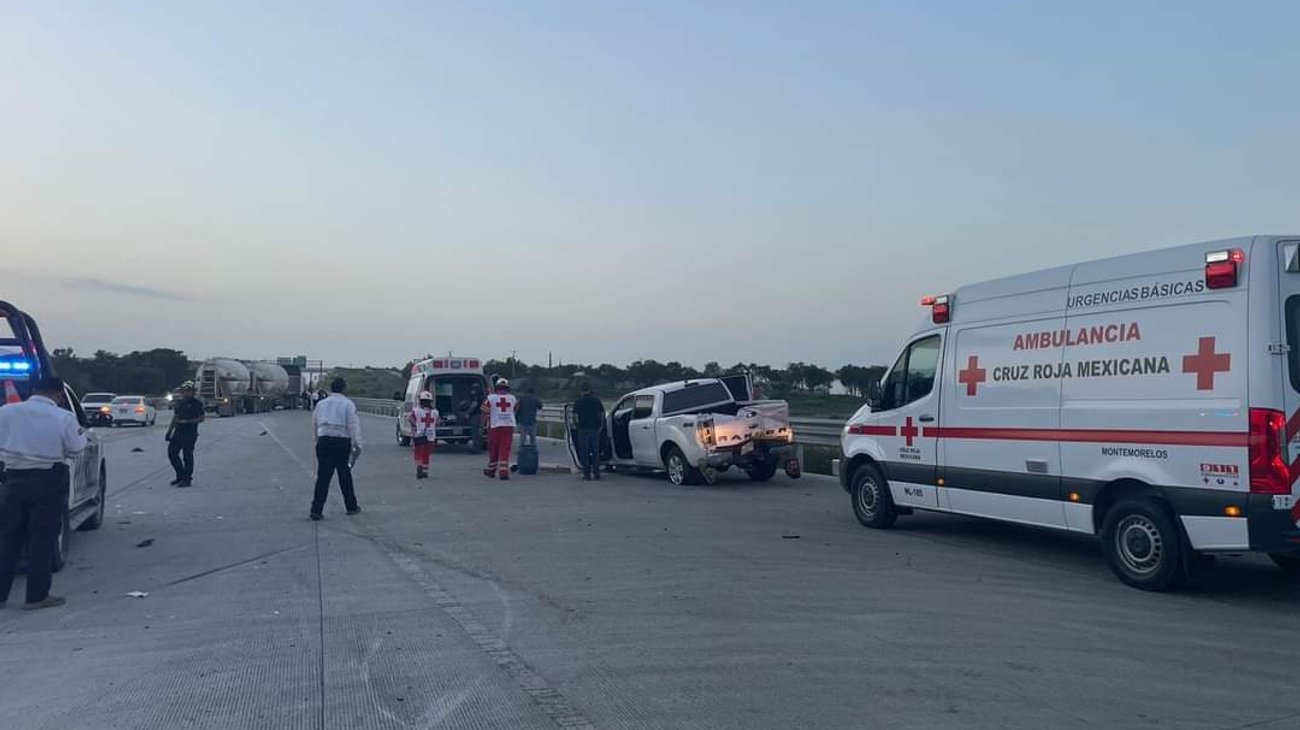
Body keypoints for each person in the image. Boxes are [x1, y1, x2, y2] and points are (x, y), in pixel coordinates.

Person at [0, 377, 87, 610]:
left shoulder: (6, 412)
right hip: (48, 481)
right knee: (42, 539)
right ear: (59, 394)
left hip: (14, 480)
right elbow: (77, 448)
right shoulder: (63, 417)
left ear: (34, 391)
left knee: (8, 539)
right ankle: (36, 597)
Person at [310, 377, 362, 520]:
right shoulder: (348, 404)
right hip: (341, 443)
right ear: (344, 389)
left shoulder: (321, 404)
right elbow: (353, 427)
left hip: (324, 441)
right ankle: (351, 507)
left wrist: (317, 441)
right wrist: (357, 445)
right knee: (344, 476)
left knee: (323, 478)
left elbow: (315, 424)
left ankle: (316, 510)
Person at [166, 381, 205, 487]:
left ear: (193, 392)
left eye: (189, 391)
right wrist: (169, 432)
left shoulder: (197, 403)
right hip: (178, 431)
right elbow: (175, 418)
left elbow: (201, 419)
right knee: (172, 453)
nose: (187, 393)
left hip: (190, 432)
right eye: (185, 391)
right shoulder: (179, 403)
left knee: (187, 455)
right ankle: (180, 475)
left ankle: (187, 479)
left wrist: (188, 422)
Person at [481, 378, 517, 480]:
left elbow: (484, 412)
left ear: (496, 388)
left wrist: (482, 425)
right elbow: (514, 411)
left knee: (494, 449)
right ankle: (502, 471)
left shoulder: (490, 398)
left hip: (495, 427)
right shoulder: (512, 398)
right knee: (505, 449)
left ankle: (493, 470)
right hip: (508, 427)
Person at [572, 383, 605, 481]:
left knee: (584, 452)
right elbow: (602, 414)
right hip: (594, 429)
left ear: (581, 391)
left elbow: (575, 416)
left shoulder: (578, 401)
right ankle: (596, 473)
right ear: (589, 390)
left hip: (583, 429)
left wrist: (577, 425)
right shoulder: (596, 400)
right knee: (595, 451)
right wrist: (601, 426)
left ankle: (587, 474)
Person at [407, 390, 438, 479]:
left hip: (419, 435)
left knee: (418, 453)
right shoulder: (435, 412)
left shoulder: (416, 410)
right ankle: (425, 471)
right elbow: (438, 422)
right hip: (431, 436)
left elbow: (411, 420)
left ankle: (419, 466)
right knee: (426, 454)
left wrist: (414, 429)